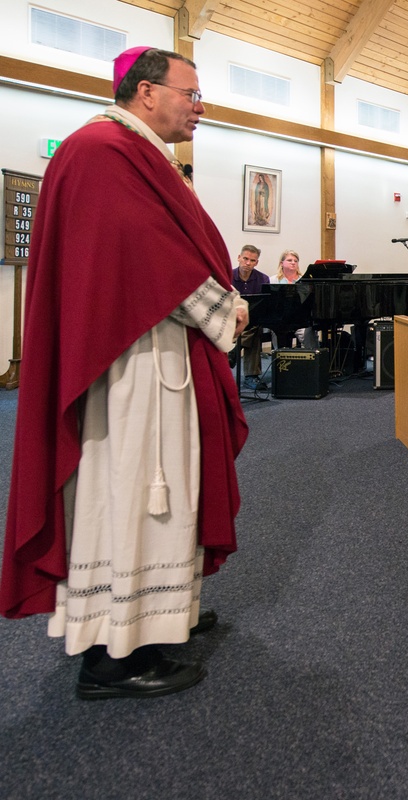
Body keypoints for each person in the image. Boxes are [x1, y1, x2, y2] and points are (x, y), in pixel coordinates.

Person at [0, 46, 249, 699]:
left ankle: (158, 619)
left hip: (154, 350)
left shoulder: (130, 152)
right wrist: (227, 310)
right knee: (138, 490)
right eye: (189, 93)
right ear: (144, 91)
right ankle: (115, 655)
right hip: (129, 362)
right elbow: (150, 254)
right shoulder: (102, 151)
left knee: (157, 493)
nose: (199, 107)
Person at [231, 244, 270, 390]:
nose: (248, 263)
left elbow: (265, 305)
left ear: (256, 262)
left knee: (256, 328)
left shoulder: (263, 279)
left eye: (252, 260)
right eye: (245, 259)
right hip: (230, 320)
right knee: (254, 332)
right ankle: (251, 376)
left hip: (253, 321)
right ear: (239, 258)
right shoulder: (226, 275)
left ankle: (234, 350)